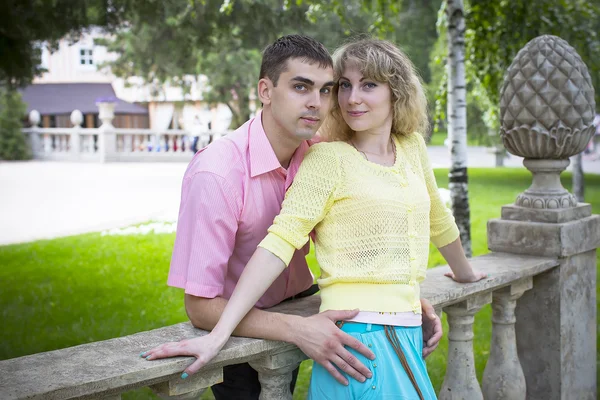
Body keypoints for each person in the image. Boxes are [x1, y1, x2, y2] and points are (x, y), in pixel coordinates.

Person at [141, 35, 444, 399]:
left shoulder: (320, 154)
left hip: (307, 307)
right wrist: (294, 329)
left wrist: (399, 296)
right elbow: (200, 307)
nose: (317, 103)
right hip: (240, 323)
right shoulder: (217, 175)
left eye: (326, 89)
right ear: (266, 91)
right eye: (301, 87)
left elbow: (367, 229)